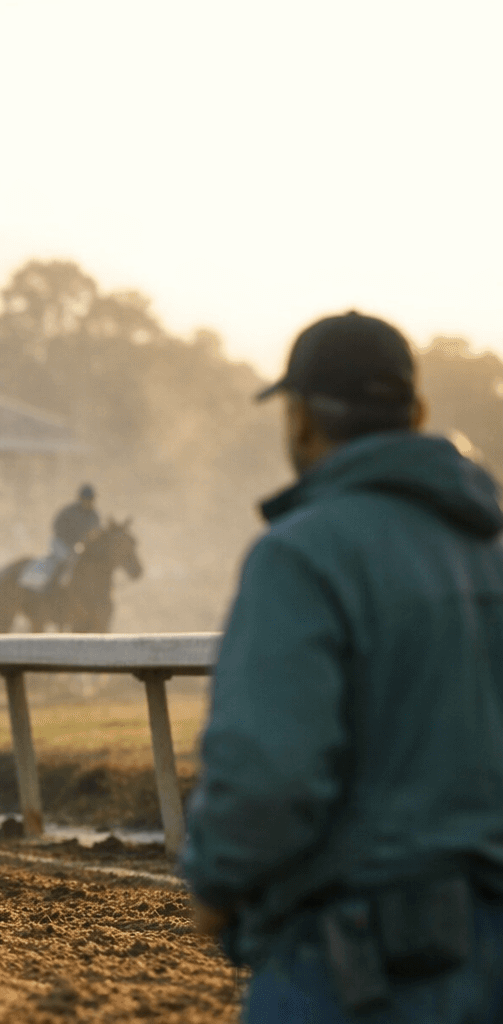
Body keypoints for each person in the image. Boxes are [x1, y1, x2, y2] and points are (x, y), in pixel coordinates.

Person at [183, 311, 503, 1021]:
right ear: (416, 412)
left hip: (351, 958)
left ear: (299, 419)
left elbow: (270, 772)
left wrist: (216, 881)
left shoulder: (298, 554)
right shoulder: (491, 550)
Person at [20, 483, 101, 592]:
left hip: (78, 546)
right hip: (60, 543)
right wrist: (75, 539)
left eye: (91, 499)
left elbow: (96, 534)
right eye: (88, 499)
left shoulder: (94, 516)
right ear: (81, 499)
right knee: (68, 559)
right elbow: (56, 526)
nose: (90, 502)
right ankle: (49, 585)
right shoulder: (70, 511)